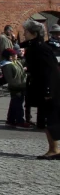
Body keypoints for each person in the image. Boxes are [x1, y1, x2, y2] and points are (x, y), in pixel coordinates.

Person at [21, 20, 60, 159]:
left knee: (51, 119)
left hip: (49, 88)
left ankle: (54, 149)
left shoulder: (41, 48)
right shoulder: (35, 46)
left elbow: (51, 70)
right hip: (42, 87)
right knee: (45, 119)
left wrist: (49, 90)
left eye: (26, 31)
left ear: (34, 33)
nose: (24, 33)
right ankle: (53, 148)